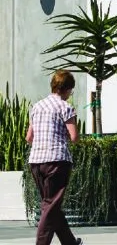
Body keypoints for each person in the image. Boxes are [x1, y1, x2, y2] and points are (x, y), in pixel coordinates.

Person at [26, 69, 82, 245]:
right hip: (57, 161)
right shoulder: (65, 107)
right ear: (67, 89)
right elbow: (74, 137)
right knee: (50, 206)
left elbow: (29, 138)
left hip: (36, 161)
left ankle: (70, 242)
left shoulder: (37, 107)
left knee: (51, 204)